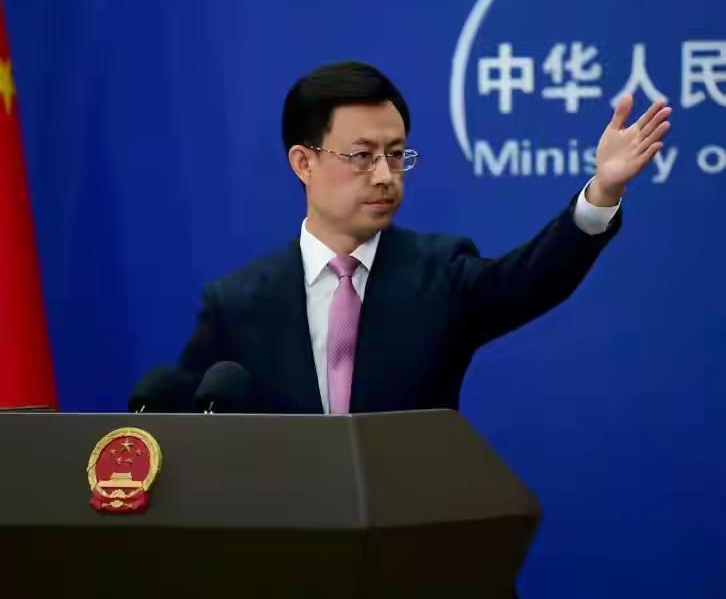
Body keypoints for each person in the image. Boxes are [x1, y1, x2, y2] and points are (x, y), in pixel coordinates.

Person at [131, 60, 671, 414]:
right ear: (303, 162)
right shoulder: (237, 304)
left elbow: (531, 280)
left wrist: (601, 192)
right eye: (362, 155)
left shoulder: (439, 273)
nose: (385, 175)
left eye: (395, 155)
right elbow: (187, 426)